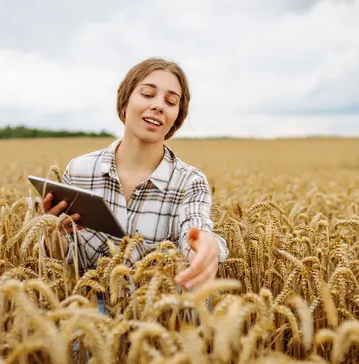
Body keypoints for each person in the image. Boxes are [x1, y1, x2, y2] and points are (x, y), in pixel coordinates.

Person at [41, 57, 229, 292]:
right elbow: (65, 260)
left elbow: (195, 229)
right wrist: (53, 233)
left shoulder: (189, 182)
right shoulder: (80, 171)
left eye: (171, 101)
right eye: (148, 94)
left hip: (160, 320)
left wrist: (203, 245)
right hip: (89, 315)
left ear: (176, 119)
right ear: (124, 102)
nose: (159, 105)